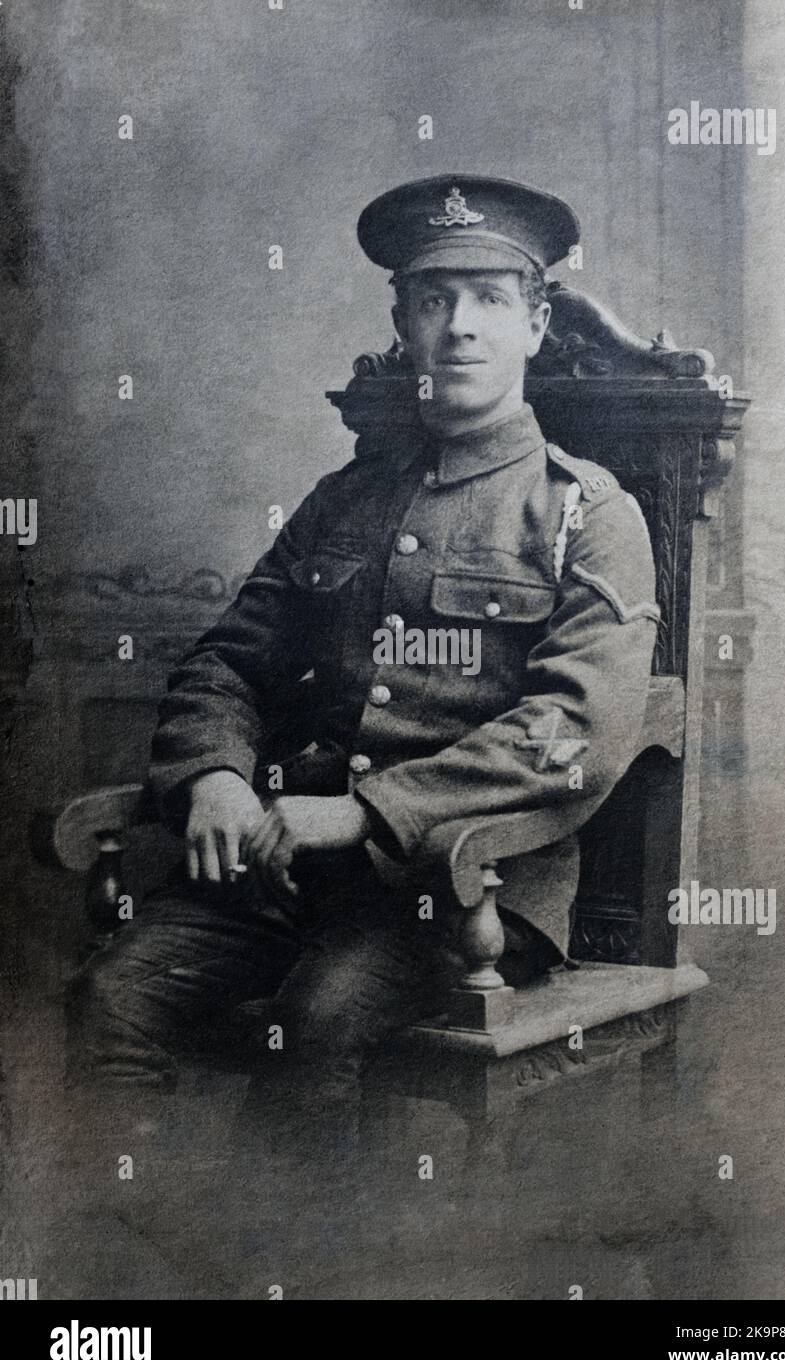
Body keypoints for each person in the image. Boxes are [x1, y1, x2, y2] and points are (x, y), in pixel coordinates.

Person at [65, 174, 660, 1170]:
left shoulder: (585, 513)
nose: (459, 327)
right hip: (283, 869)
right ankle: (133, 1247)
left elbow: (575, 732)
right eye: (433, 300)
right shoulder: (343, 501)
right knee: (108, 998)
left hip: (468, 890)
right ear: (404, 320)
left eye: (489, 299)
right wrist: (209, 771)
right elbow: (227, 660)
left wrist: (370, 811)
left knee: (314, 1024)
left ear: (535, 324)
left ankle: (311, 1269)